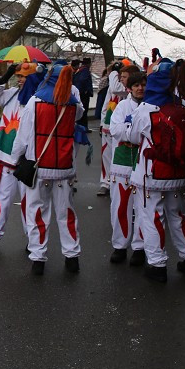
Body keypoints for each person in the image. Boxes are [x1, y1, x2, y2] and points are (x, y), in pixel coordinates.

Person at [126, 59, 185, 283]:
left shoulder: (146, 109)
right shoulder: (183, 106)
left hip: (151, 175)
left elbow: (132, 137)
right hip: (179, 174)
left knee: (151, 218)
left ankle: (157, 265)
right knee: (180, 216)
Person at [10, 63, 84, 275]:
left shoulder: (34, 102)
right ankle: (72, 257)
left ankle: (38, 259)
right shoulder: (73, 105)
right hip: (64, 168)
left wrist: (16, 160)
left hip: (39, 167)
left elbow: (23, 138)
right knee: (66, 213)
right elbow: (78, 114)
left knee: (38, 213)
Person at [0, 62, 42, 253]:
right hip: (6, 157)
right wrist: (6, 75)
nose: (19, 80)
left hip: (28, 161)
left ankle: (32, 240)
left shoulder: (40, 99)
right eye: (18, 76)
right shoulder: (13, 93)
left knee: (29, 203)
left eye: (23, 76)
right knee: (2, 198)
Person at [108, 70, 146, 265]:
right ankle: (120, 246)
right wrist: (136, 132)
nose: (140, 88)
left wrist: (130, 129)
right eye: (136, 85)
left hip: (144, 163)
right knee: (121, 206)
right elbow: (115, 130)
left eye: (143, 84)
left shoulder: (151, 107)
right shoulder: (122, 106)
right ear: (129, 88)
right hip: (122, 163)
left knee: (142, 207)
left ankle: (139, 247)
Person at [98, 60, 134, 196]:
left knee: (117, 156)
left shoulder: (128, 89)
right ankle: (105, 183)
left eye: (123, 75)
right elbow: (106, 104)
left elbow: (115, 88)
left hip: (121, 129)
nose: (121, 77)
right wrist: (102, 123)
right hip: (108, 125)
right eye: (120, 75)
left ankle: (117, 181)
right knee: (106, 156)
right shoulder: (114, 84)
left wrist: (112, 72)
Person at [73, 59, 94, 128]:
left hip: (80, 92)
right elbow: (82, 80)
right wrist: (86, 90)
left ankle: (80, 125)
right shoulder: (85, 71)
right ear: (88, 64)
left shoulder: (79, 70)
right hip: (84, 94)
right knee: (84, 110)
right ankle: (84, 126)